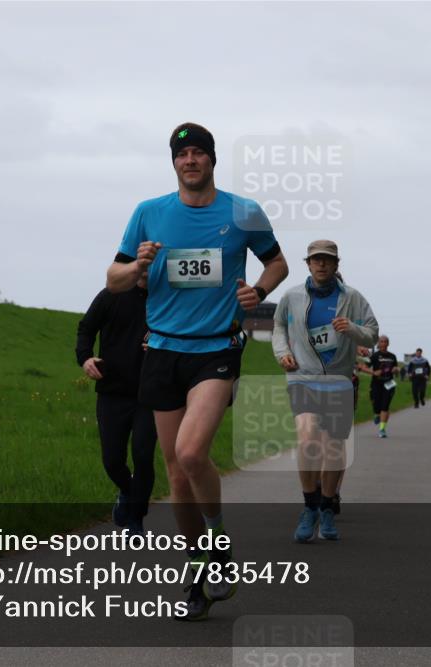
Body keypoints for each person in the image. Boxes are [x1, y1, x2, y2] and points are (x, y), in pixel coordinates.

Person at [106, 122, 289, 620]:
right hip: (162, 350)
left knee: (191, 453)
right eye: (182, 154)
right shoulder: (149, 214)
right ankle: (198, 570)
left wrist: (260, 292)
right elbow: (114, 279)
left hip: (217, 348)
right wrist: (137, 267)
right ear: (174, 163)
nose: (191, 161)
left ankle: (219, 543)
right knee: (176, 474)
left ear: (212, 160)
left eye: (199, 153)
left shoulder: (242, 212)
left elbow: (277, 264)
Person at [272, 240, 378, 542]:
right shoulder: (292, 296)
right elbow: (279, 326)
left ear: (336, 265)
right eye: (316, 260)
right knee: (307, 440)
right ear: (308, 263)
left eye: (327, 260)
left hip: (338, 381)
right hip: (302, 378)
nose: (321, 265)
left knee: (333, 447)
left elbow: (372, 333)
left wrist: (353, 330)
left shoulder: (353, 298)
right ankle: (310, 507)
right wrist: (282, 353)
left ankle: (328, 506)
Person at [75, 276, 156, 535]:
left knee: (143, 456)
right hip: (112, 391)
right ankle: (127, 491)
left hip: (151, 393)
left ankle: (136, 520)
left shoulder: (168, 300)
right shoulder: (111, 295)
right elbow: (86, 328)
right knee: (112, 460)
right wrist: (85, 358)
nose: (147, 270)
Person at [368, 336, 399, 438]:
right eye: (381, 341)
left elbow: (395, 367)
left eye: (385, 342)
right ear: (379, 343)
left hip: (389, 383)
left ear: (388, 343)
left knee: (385, 406)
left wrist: (396, 369)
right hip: (376, 383)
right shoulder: (374, 356)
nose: (384, 343)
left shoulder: (392, 356)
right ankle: (377, 414)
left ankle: (382, 429)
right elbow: (364, 367)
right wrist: (373, 372)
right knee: (376, 404)